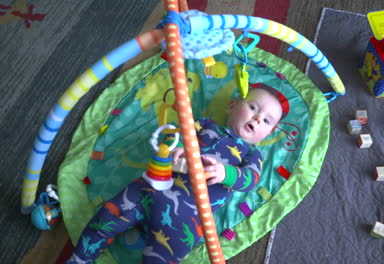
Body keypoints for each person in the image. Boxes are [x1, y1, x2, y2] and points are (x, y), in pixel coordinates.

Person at [66, 83, 289, 264]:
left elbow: (251, 179)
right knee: (106, 218)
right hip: (150, 189)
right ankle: (79, 259)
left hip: (186, 219)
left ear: (267, 134)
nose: (258, 118)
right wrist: (177, 146)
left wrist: (225, 174)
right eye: (253, 107)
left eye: (267, 121)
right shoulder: (205, 125)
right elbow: (174, 134)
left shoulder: (252, 154)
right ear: (231, 106)